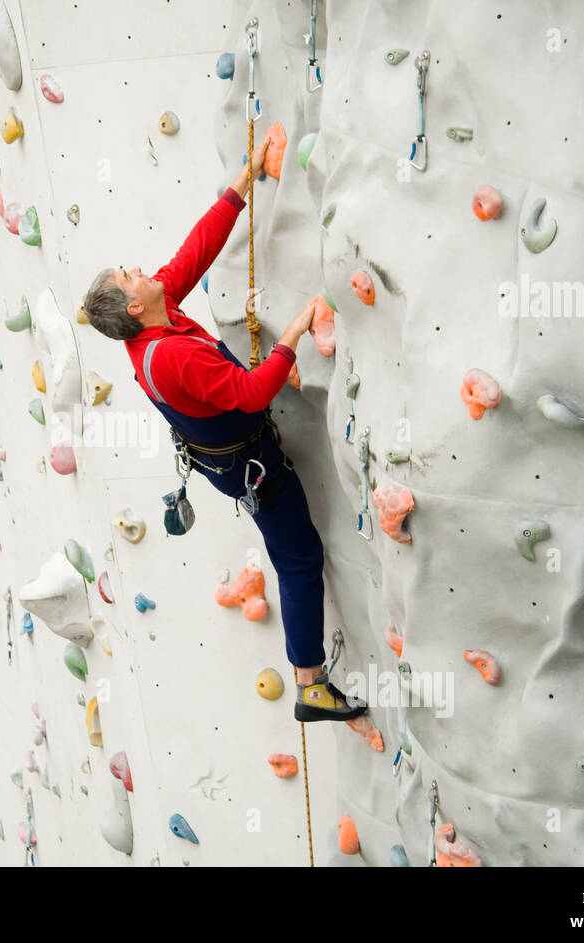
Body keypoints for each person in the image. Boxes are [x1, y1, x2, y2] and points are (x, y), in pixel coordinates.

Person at [81, 137, 367, 723]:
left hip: (232, 452)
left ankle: (310, 678)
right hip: (249, 465)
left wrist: (246, 179)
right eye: (129, 276)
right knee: (297, 556)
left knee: (293, 552)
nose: (140, 270)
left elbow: (193, 255)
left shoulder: (158, 319)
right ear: (134, 307)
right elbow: (250, 392)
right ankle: (310, 684)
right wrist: (295, 328)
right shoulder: (173, 355)